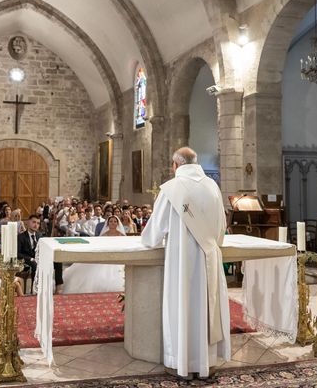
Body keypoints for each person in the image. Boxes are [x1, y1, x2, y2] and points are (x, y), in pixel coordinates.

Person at [141, 147, 230, 379]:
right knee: (206, 308)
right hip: (209, 256)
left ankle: (180, 363)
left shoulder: (171, 189)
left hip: (182, 261)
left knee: (182, 306)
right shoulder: (213, 186)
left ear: (175, 165)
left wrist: (148, 239)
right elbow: (221, 228)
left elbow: (153, 235)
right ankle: (206, 362)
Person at [62, 215, 126, 294]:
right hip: (105, 256)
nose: (113, 223)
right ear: (108, 223)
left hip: (118, 257)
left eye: (115, 221)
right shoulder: (104, 234)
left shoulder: (121, 235)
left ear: (118, 223)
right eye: (111, 221)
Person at [17, 214, 64, 294]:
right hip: (27, 259)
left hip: (40, 258)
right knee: (35, 264)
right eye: (34, 222)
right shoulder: (21, 237)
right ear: (28, 223)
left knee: (58, 262)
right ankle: (35, 290)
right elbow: (17, 253)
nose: (36, 225)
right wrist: (30, 258)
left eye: (38, 223)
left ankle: (58, 287)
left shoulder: (40, 235)